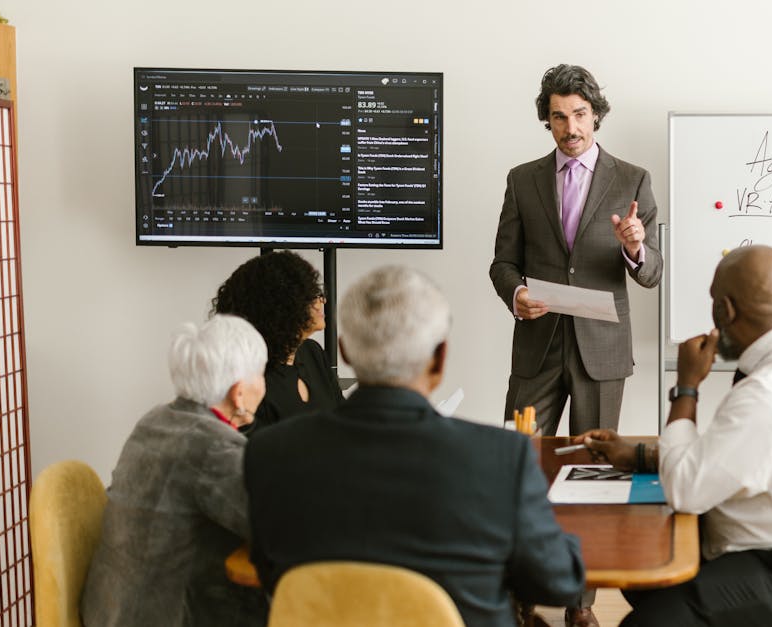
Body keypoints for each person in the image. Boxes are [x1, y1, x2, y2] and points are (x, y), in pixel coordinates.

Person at [244, 265, 585, 627]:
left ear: (344, 351)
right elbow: (560, 583)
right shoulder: (503, 458)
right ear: (439, 359)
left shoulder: (267, 454)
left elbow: (272, 577)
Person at [576, 245, 772, 627]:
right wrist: (641, 456)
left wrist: (686, 387)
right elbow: (734, 454)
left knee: (649, 622)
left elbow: (685, 491)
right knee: (645, 574)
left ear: (726, 311)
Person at [490, 63, 663, 438]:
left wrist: (635, 248)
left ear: (595, 114)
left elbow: (652, 273)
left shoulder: (633, 179)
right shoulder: (522, 180)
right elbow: (503, 263)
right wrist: (516, 293)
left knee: (593, 469)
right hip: (538, 347)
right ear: (547, 121)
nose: (571, 129)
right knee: (518, 457)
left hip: (601, 350)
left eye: (580, 115)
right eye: (560, 117)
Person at [81, 315, 269, 627]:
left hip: (110, 611)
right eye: (261, 375)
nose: (265, 384)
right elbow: (272, 525)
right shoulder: (211, 447)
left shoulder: (154, 421)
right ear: (239, 393)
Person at [212, 250, 343, 433]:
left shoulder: (313, 352)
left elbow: (342, 423)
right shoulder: (249, 376)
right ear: (282, 305)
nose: (323, 301)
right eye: (312, 294)